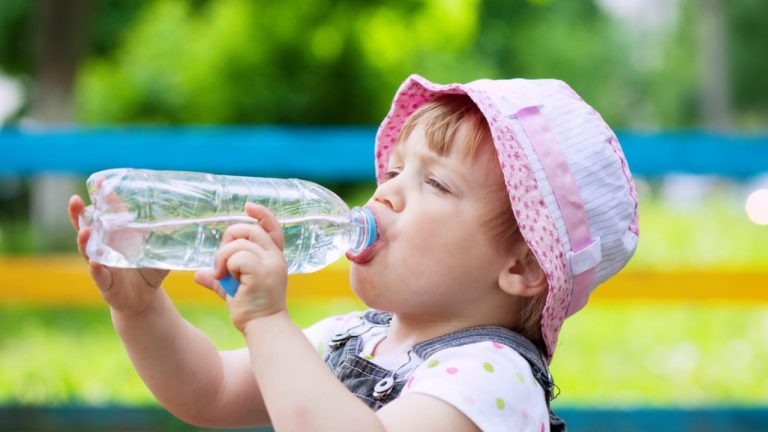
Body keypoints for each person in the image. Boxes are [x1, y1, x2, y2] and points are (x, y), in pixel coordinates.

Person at [68, 74, 639, 431]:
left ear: (521, 265)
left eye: (434, 183)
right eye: (393, 171)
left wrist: (267, 321)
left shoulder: (494, 378)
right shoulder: (354, 336)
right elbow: (210, 390)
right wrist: (140, 309)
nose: (384, 193)